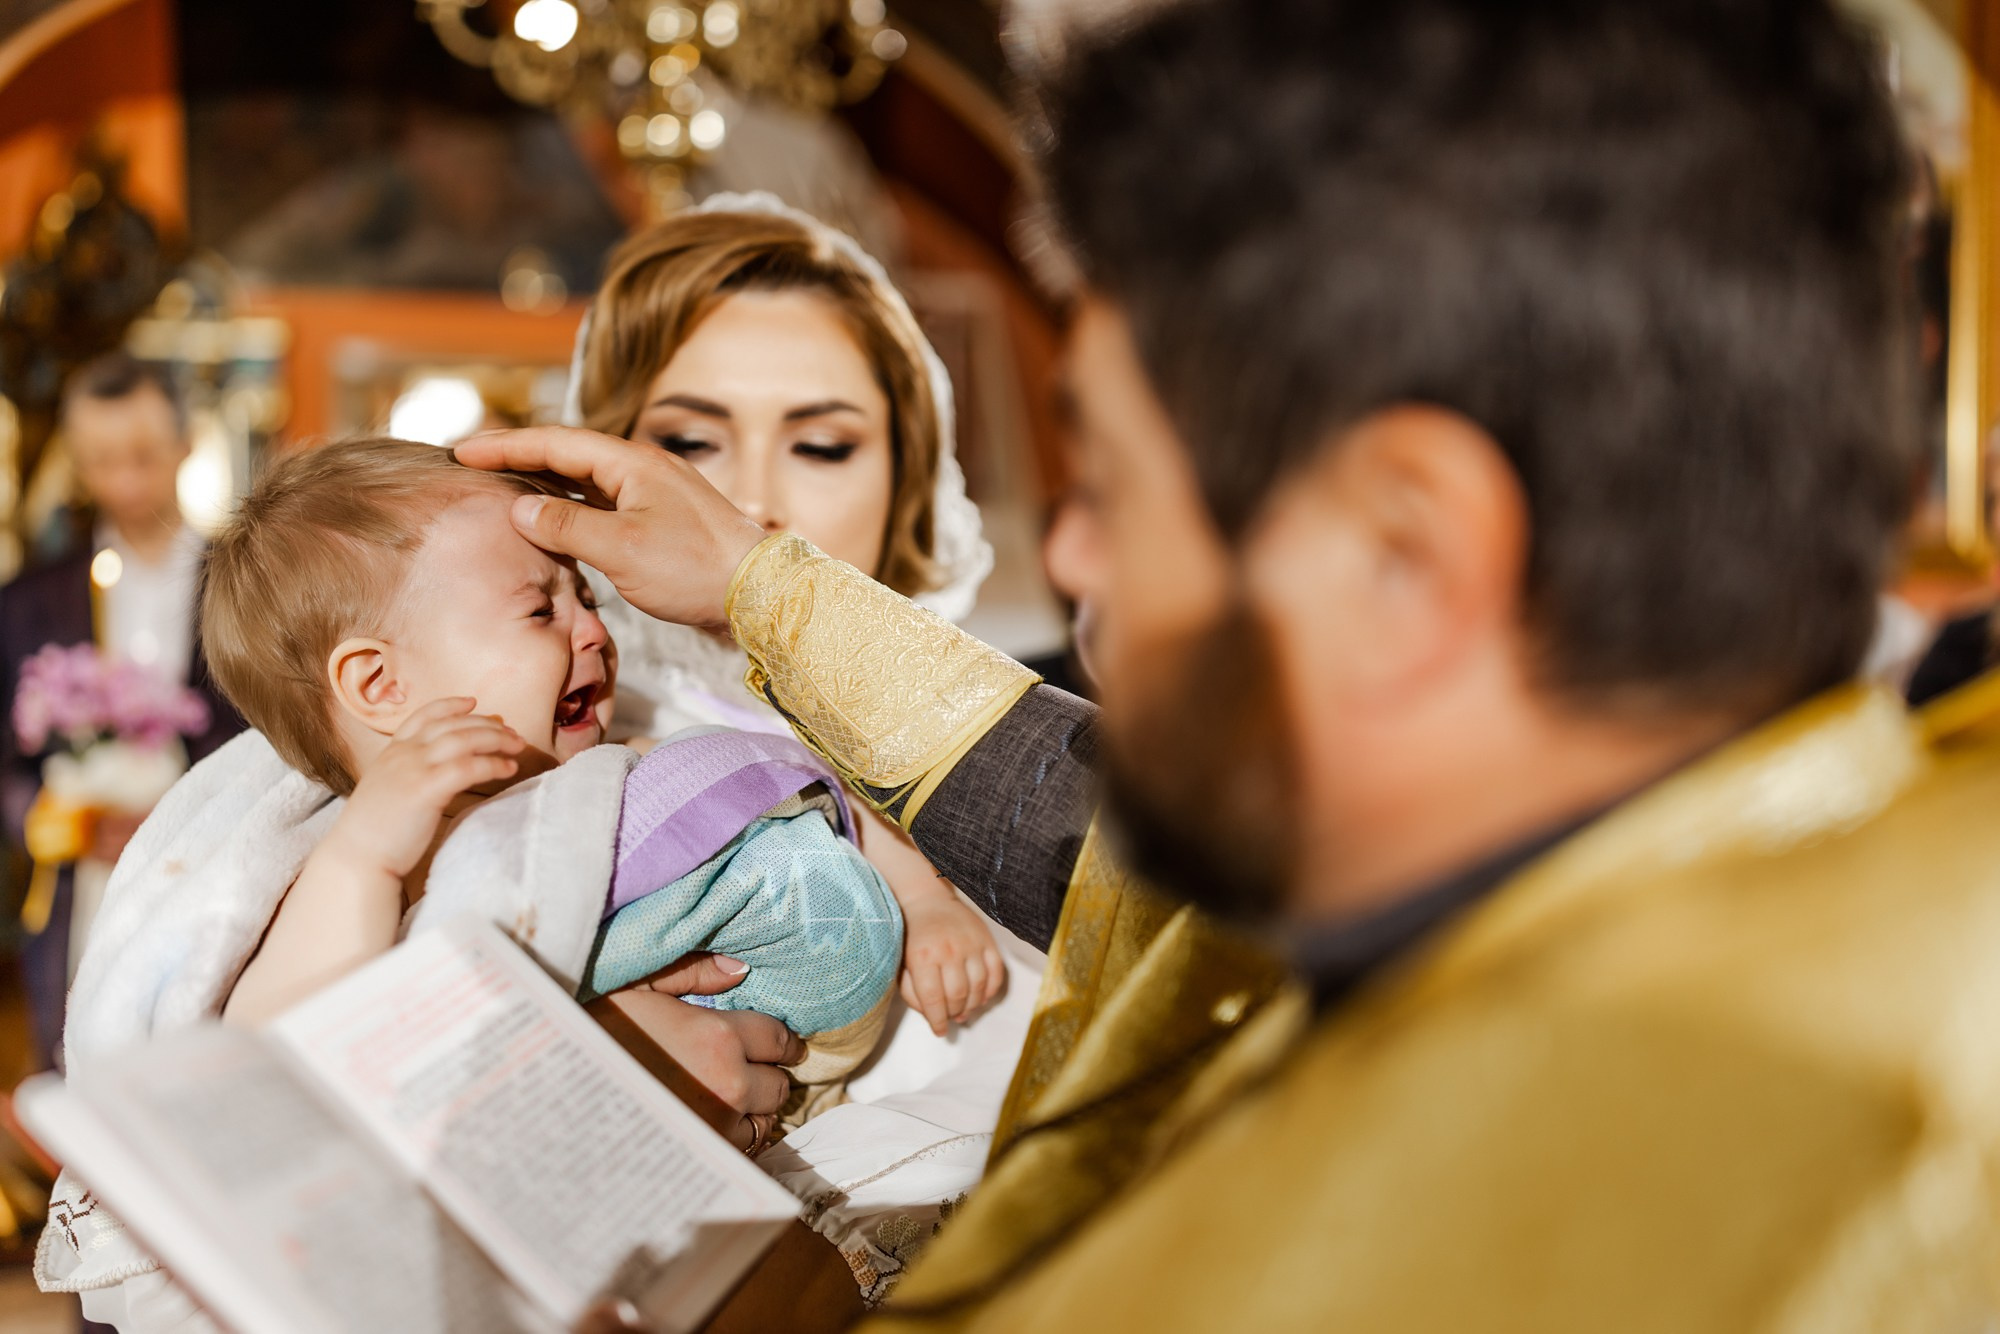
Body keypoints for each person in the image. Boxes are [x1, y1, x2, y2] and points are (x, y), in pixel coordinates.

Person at [460, 0, 2000, 1327]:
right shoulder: (1445, 855)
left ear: (1407, 552)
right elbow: (1107, 854)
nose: (1068, 564)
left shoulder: (1768, 1137)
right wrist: (751, 583)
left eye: (1117, 488)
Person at [0, 352, 242, 1071]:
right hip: (77, 896)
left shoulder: (243, 582)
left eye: (143, 455)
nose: (126, 481)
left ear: (185, 444)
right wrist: (60, 818)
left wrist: (182, 818)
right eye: (102, 460)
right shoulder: (29, 599)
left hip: (212, 883)